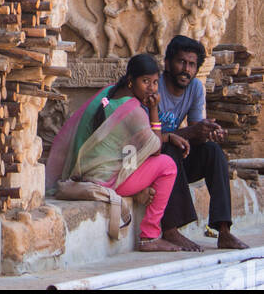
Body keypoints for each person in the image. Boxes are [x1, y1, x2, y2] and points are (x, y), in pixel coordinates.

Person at [46, 53, 189, 252]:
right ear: (131, 81)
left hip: (86, 173)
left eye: (155, 83)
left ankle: (139, 192)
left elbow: (130, 149)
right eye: (145, 81)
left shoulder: (108, 93)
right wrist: (154, 110)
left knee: (134, 152)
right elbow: (155, 148)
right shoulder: (134, 111)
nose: (151, 88)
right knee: (167, 165)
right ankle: (149, 236)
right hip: (106, 180)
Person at [157, 34, 248, 251]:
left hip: (177, 158)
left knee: (212, 151)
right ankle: (170, 230)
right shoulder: (155, 86)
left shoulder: (196, 88)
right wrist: (191, 131)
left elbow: (195, 134)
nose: (186, 69)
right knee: (169, 149)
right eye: (181, 62)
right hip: (151, 156)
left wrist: (208, 132)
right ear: (167, 63)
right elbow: (148, 136)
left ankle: (224, 231)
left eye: (191, 64)